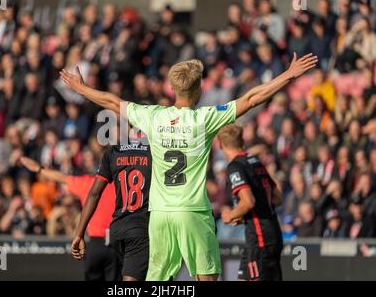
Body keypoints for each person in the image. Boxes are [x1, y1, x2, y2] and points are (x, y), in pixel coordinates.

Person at [61, 52, 317, 281]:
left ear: (173, 88)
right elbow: (251, 98)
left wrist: (82, 89)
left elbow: (112, 102)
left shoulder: (154, 116)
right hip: (193, 212)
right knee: (206, 277)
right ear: (199, 89)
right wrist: (288, 75)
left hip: (160, 215)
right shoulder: (204, 119)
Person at [20, 157, 120, 281]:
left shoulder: (88, 182)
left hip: (96, 245)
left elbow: (62, 178)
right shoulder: (121, 186)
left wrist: (39, 169)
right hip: (117, 244)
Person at [71, 131, 152, 281]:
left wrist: (79, 233)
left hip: (117, 228)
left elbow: (94, 193)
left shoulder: (114, 151)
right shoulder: (154, 150)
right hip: (141, 228)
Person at [219, 124, 283, 281]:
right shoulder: (254, 161)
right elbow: (277, 197)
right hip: (271, 232)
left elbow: (248, 201)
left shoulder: (235, 166)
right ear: (242, 141)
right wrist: (244, 214)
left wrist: (230, 215)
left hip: (259, 238)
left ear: (221, 145)